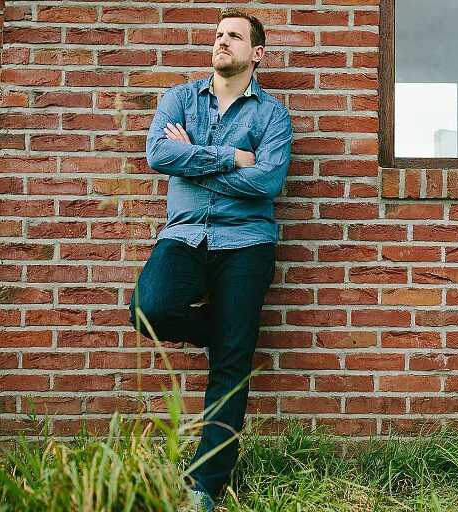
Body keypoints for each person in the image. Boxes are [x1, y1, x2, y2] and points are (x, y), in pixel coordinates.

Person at [129, 9, 292, 511]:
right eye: (218, 35)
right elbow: (158, 154)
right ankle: (228, 333)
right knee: (149, 309)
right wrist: (229, 158)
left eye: (234, 36)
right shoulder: (179, 99)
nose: (222, 42)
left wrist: (194, 159)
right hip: (185, 236)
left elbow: (266, 182)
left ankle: (205, 486)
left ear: (256, 53)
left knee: (229, 368)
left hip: (247, 242)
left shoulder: (272, 115)